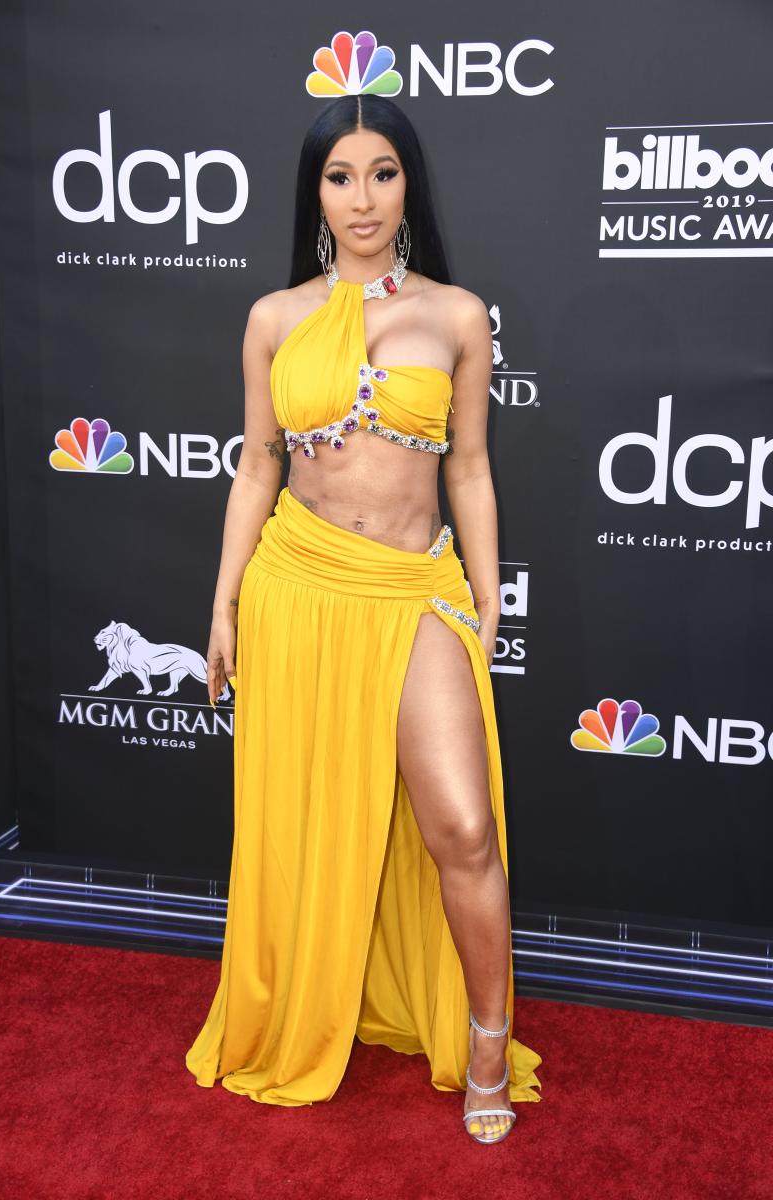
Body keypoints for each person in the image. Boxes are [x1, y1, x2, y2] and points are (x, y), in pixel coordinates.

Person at [185, 94, 542, 1144]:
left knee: (462, 828)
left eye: (381, 172)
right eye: (339, 176)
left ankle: (487, 1036)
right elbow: (257, 467)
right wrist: (223, 602)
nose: (362, 198)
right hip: (296, 584)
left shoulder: (457, 315)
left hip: (408, 587)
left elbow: (468, 469)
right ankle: (306, 1004)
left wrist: (483, 599)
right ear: (315, 193)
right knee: (302, 829)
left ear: (408, 183)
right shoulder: (274, 317)